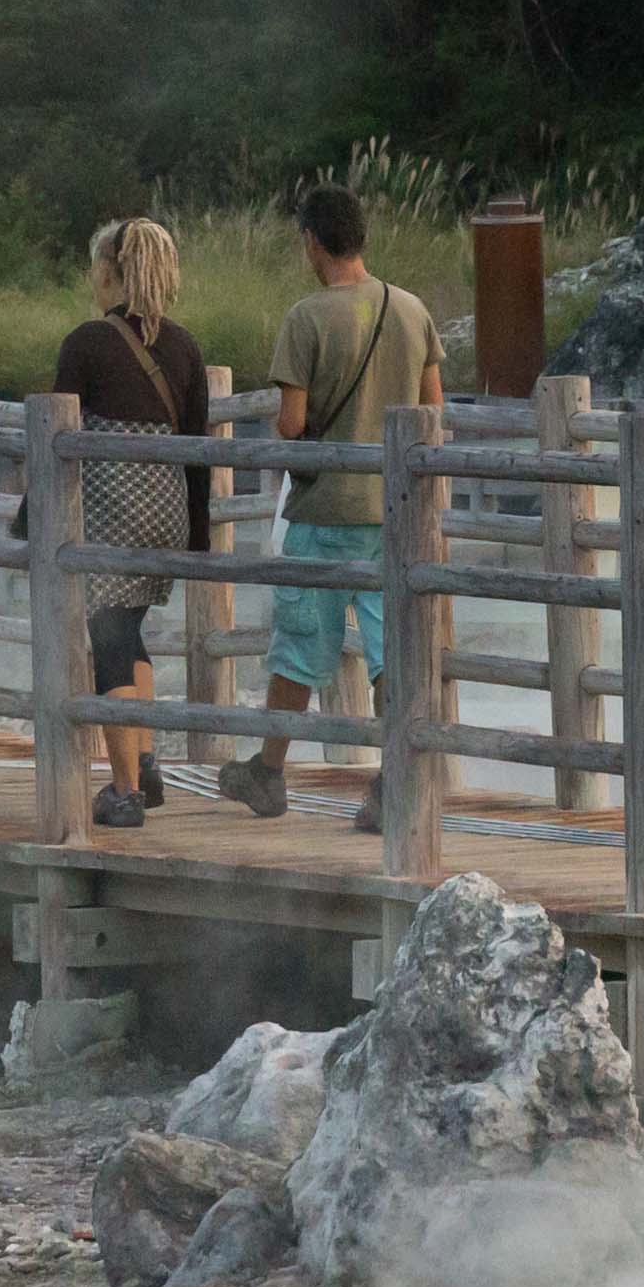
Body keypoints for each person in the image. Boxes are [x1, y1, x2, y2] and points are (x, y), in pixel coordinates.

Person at [229, 182, 436, 825]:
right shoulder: (410, 309)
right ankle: (394, 781)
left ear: (311, 241)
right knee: (387, 650)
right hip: (395, 511)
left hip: (324, 512)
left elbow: (291, 423)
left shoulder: (307, 317)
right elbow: (432, 414)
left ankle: (267, 773)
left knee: (299, 646)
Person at [51, 216, 212, 831]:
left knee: (107, 639)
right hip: (165, 508)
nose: (91, 277)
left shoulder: (87, 342)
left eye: (95, 266)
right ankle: (144, 763)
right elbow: (198, 447)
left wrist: (27, 517)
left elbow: (56, 435)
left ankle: (123, 791)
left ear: (112, 272)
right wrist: (197, 536)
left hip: (110, 507)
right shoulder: (185, 346)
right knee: (130, 629)